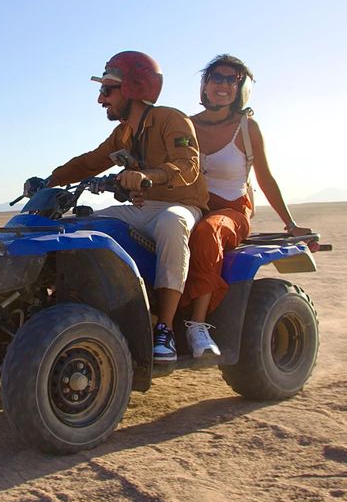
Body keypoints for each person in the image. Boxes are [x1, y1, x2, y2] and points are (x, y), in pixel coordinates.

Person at [25, 51, 208, 363]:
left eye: (106, 90)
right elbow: (90, 162)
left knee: (171, 224)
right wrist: (50, 180)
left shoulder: (170, 119)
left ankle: (164, 330)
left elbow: (187, 165)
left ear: (134, 88)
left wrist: (147, 176)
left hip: (180, 204)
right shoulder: (123, 133)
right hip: (141, 208)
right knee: (83, 226)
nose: (101, 100)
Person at [177, 54, 311, 358]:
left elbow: (265, 178)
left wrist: (290, 224)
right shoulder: (185, 126)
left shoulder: (247, 128)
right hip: (191, 205)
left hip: (231, 212)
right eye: (216, 78)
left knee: (208, 233)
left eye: (231, 80)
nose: (223, 85)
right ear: (205, 84)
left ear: (241, 89)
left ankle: (197, 326)